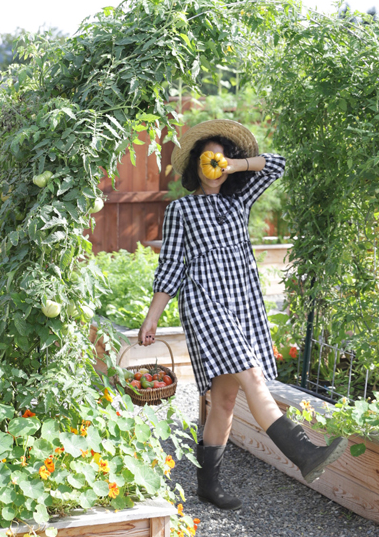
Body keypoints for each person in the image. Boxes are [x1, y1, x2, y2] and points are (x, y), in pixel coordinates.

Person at [138, 119, 347, 510]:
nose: (213, 165)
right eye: (206, 158)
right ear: (195, 165)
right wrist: (152, 317)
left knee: (225, 402)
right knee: (252, 375)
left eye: (220, 158)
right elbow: (170, 268)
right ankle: (305, 454)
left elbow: (278, 164)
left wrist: (235, 166)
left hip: (241, 304)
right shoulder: (181, 210)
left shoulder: (239, 201)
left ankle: (208, 486)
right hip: (205, 305)